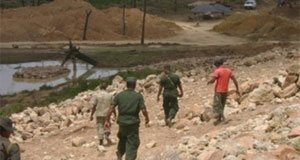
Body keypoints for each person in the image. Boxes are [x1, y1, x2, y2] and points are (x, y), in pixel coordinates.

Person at [105, 77, 149, 160]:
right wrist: (147, 118)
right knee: (133, 143)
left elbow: (111, 108)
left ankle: (120, 153)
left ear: (126, 85)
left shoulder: (119, 95)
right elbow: (143, 110)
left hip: (122, 123)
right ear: (134, 85)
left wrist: (107, 120)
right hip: (133, 123)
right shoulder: (138, 96)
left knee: (123, 138)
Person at [207, 58, 240, 125]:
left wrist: (209, 82)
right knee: (222, 104)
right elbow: (234, 80)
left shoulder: (217, 71)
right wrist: (237, 89)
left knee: (218, 105)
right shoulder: (228, 70)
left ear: (216, 64)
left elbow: (213, 80)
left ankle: (223, 118)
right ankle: (219, 118)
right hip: (225, 90)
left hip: (219, 90)